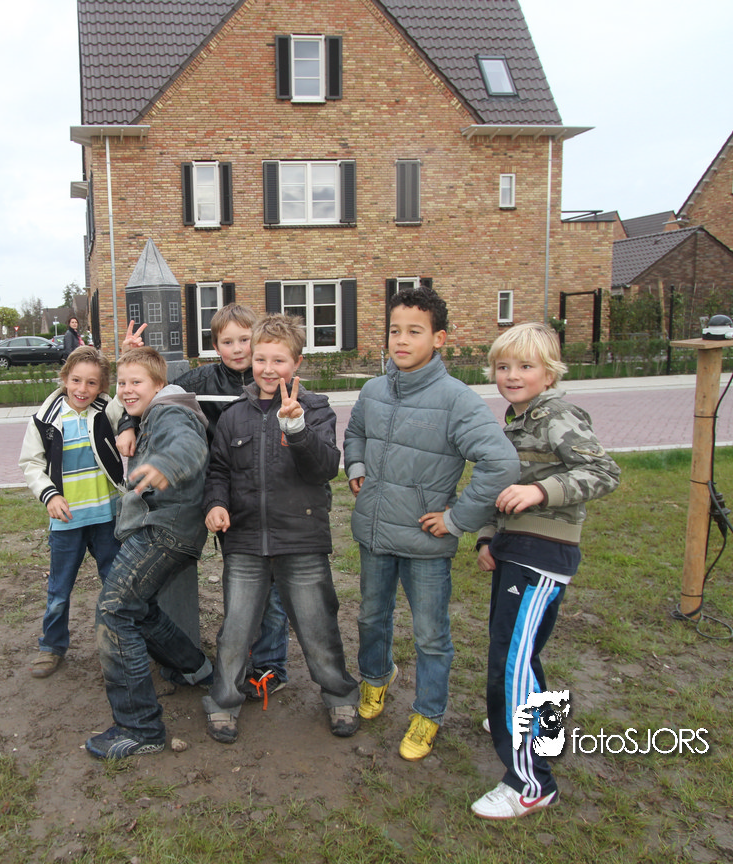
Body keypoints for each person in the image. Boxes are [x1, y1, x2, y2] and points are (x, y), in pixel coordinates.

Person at [344, 287, 518, 762]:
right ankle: (375, 678)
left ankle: (428, 713)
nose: (401, 340)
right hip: (375, 533)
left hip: (425, 541)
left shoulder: (456, 400)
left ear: (439, 338)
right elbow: (355, 431)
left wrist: (458, 518)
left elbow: (501, 463)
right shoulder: (373, 391)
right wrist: (356, 465)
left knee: (430, 635)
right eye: (394, 330)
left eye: (414, 332)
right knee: (370, 616)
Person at [470, 323, 620, 819]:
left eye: (525, 366)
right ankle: (544, 730)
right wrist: (489, 536)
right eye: (503, 366)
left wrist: (540, 492)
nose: (512, 375)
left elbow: (602, 472)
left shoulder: (557, 416)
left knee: (510, 665)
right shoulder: (517, 419)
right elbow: (503, 484)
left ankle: (531, 783)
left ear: (550, 373)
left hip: (542, 555)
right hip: (515, 547)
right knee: (524, 652)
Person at [116, 304, 292, 699]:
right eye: (228, 341)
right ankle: (228, 654)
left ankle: (270, 663)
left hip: (264, 496)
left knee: (270, 583)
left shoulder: (272, 380)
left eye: (244, 339)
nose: (238, 349)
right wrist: (128, 423)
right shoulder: (199, 380)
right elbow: (153, 392)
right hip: (217, 494)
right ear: (215, 346)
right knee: (238, 580)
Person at [201, 314, 360, 743]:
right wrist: (216, 503)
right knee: (236, 628)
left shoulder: (316, 409)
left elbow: (324, 467)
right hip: (245, 541)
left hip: (301, 539)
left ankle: (339, 695)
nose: (268, 369)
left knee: (318, 625)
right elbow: (219, 470)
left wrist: (297, 428)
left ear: (298, 363)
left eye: (279, 360)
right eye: (260, 359)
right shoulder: (234, 415)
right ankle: (223, 700)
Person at [86, 346, 214, 760]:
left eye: (136, 382)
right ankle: (195, 668)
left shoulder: (169, 412)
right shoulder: (152, 410)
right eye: (122, 383)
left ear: (159, 385)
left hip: (163, 530)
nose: (126, 390)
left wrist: (166, 465)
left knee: (114, 612)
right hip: (167, 529)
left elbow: (188, 446)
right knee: (137, 608)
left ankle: (140, 727)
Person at [18, 346, 125, 679]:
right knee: (59, 590)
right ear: (64, 378)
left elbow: (127, 402)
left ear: (101, 386)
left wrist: (125, 359)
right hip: (67, 521)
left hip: (106, 517)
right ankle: (52, 646)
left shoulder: (105, 411)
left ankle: (119, 643)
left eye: (92, 383)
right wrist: (49, 495)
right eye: (76, 380)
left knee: (115, 583)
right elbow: (31, 463)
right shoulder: (45, 420)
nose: (82, 389)